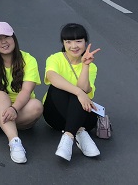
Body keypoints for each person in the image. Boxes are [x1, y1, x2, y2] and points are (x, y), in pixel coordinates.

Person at [0, 22, 43, 164]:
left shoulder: (28, 59)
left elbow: (27, 90)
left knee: (37, 106)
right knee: (1, 95)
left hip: (20, 108)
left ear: (14, 38)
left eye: (7, 37)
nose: (3, 42)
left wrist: (14, 108)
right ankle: (14, 141)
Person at [43, 23, 101, 161]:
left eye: (78, 41)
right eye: (68, 42)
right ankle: (80, 132)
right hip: (55, 115)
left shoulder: (92, 67)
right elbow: (52, 77)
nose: (73, 46)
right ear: (63, 43)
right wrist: (79, 93)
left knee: (78, 93)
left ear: (85, 42)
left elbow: (84, 88)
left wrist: (85, 65)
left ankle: (69, 137)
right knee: (57, 87)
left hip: (83, 116)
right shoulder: (55, 58)